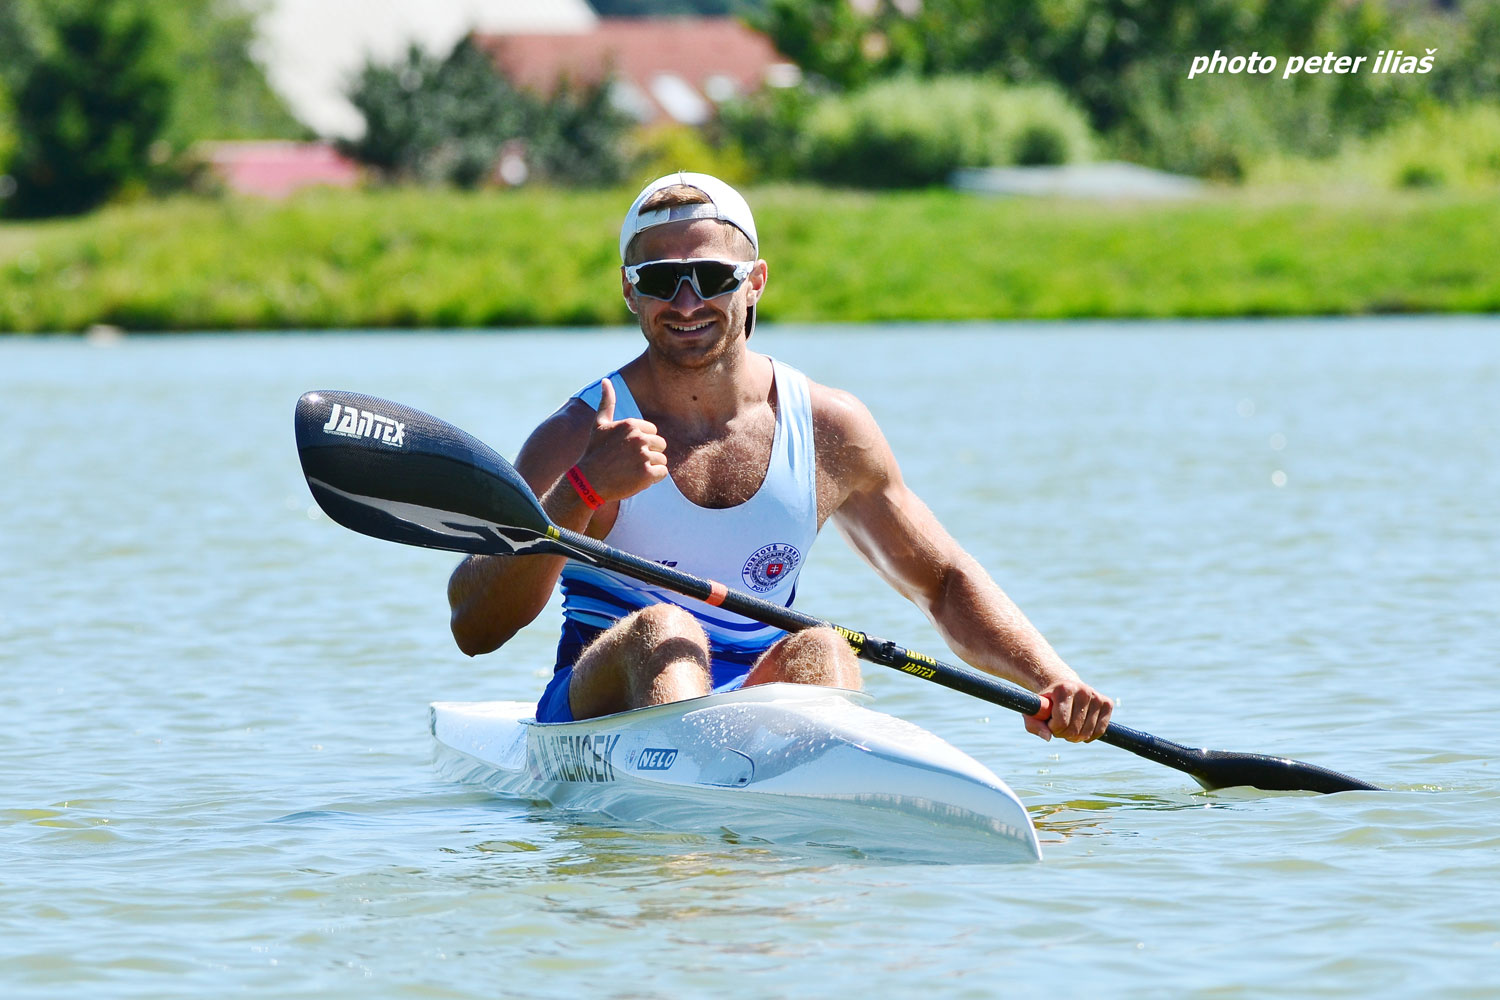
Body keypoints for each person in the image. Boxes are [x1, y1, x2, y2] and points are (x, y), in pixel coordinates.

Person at [447, 171, 1113, 742]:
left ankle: (805, 878)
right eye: (660, 280)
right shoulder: (581, 430)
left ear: (756, 281)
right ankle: (695, 818)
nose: (687, 302)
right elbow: (474, 623)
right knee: (668, 629)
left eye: (711, 276)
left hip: (753, 698)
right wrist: (583, 491)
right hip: (603, 709)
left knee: (824, 645)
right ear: (629, 290)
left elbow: (941, 583)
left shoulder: (829, 429)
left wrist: (1052, 679)